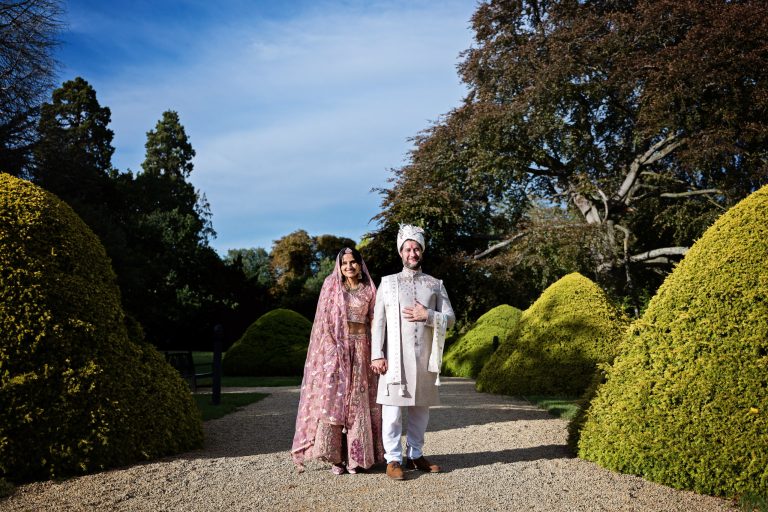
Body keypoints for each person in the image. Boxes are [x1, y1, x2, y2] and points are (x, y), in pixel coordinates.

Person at [370, 224, 455, 481]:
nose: (412, 253)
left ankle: (416, 454)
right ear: (400, 251)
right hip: (395, 358)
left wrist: (427, 315)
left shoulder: (435, 284)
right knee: (393, 411)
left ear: (422, 251)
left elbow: (450, 319)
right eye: (408, 248)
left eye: (416, 248)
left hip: (424, 358)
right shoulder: (388, 282)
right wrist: (377, 354)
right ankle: (393, 459)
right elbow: (379, 322)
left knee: (420, 410)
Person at [291, 247, 385, 475]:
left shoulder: (369, 290)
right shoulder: (332, 287)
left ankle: (357, 458)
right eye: (344, 263)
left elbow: (375, 322)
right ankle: (336, 459)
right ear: (339, 266)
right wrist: (332, 350)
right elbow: (323, 322)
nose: (349, 267)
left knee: (358, 401)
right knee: (335, 401)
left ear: (360, 265)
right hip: (336, 351)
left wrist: (377, 353)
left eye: (353, 262)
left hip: (362, 348)